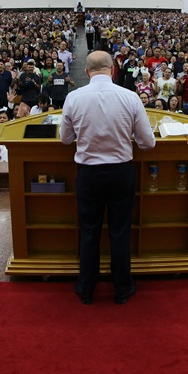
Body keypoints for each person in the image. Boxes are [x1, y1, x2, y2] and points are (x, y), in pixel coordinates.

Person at [60, 51, 155, 305]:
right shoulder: (130, 97)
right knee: (120, 232)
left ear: (87, 72)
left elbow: (65, 139)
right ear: (113, 69)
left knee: (89, 231)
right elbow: (148, 143)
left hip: (88, 173)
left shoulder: (73, 97)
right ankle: (122, 288)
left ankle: (86, 288)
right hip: (121, 172)